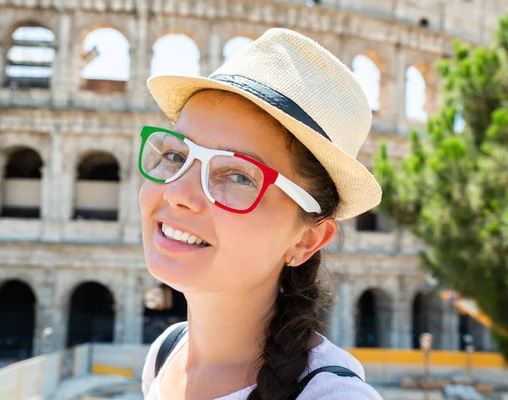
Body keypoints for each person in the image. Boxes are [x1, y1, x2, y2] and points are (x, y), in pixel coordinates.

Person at [139, 28, 384, 399]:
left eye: (238, 176)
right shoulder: (165, 354)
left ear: (307, 239)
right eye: (176, 155)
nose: (177, 193)